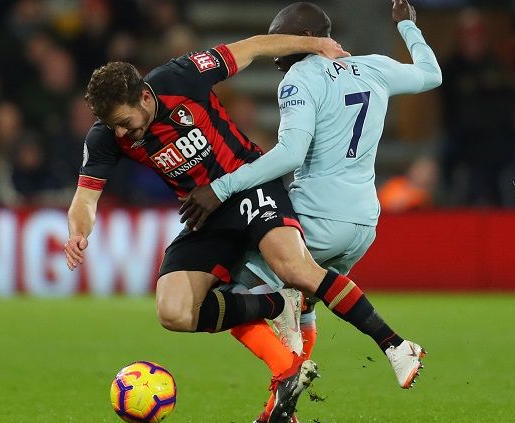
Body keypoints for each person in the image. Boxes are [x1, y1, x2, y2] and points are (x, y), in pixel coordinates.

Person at [64, 33, 354, 423]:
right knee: (174, 310)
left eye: (124, 123)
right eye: (111, 125)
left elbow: (251, 47)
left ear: (145, 99)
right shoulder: (105, 136)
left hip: (251, 188)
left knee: (292, 268)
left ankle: (307, 363)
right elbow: (85, 198)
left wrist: (317, 44)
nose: (120, 134)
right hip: (206, 215)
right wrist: (78, 232)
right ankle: (276, 306)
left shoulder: (182, 76)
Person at [179, 1, 441, 421]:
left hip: (317, 215)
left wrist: (222, 186)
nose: (275, 52)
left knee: (223, 294)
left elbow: (290, 154)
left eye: (279, 38)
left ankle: (381, 347)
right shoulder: (371, 66)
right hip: (364, 223)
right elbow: (432, 74)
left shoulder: (300, 78)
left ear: (301, 39)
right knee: (303, 305)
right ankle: (276, 414)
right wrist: (408, 27)